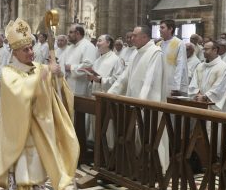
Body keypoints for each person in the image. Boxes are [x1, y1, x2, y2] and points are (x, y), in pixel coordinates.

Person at [0, 18, 79, 190]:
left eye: (31, 48)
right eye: (25, 50)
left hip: (40, 128)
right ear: (14, 52)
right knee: (21, 168)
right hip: (19, 132)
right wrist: (48, 72)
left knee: (37, 166)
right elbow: (20, 92)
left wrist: (57, 75)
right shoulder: (8, 72)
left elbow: (53, 89)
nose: (31, 52)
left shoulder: (38, 68)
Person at [108, 26, 168, 171]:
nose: (131, 38)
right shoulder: (136, 53)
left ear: (145, 37)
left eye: (135, 35)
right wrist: (108, 94)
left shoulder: (155, 53)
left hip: (147, 105)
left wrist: (139, 103)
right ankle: (135, 165)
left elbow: (150, 81)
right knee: (135, 136)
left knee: (149, 136)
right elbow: (124, 78)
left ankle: (154, 167)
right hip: (134, 104)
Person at [189, 40, 226, 112]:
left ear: (215, 50)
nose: (204, 51)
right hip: (199, 103)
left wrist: (205, 97)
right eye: (203, 49)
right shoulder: (200, 66)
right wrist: (197, 94)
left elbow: (220, 88)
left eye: (206, 49)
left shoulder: (224, 67)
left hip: (212, 105)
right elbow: (194, 83)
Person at [63, 24, 98, 96]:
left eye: (70, 32)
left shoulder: (88, 46)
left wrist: (71, 67)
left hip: (80, 87)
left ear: (78, 33)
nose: (68, 35)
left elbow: (88, 66)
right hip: (68, 84)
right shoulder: (70, 47)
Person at [157, 19, 188, 96]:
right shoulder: (158, 44)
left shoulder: (179, 43)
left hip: (171, 83)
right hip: (158, 81)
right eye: (160, 28)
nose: (160, 30)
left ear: (170, 29)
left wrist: (176, 87)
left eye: (162, 28)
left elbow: (181, 65)